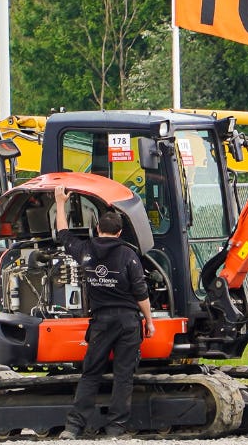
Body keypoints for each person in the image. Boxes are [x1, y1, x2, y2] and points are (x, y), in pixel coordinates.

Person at [54, 185, 155, 439]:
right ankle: (115, 429)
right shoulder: (129, 256)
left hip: (101, 322)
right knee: (123, 376)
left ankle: (73, 428)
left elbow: (63, 233)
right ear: (120, 232)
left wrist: (60, 202)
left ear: (98, 228)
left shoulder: (86, 251)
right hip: (128, 323)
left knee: (90, 373)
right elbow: (141, 294)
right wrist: (150, 322)